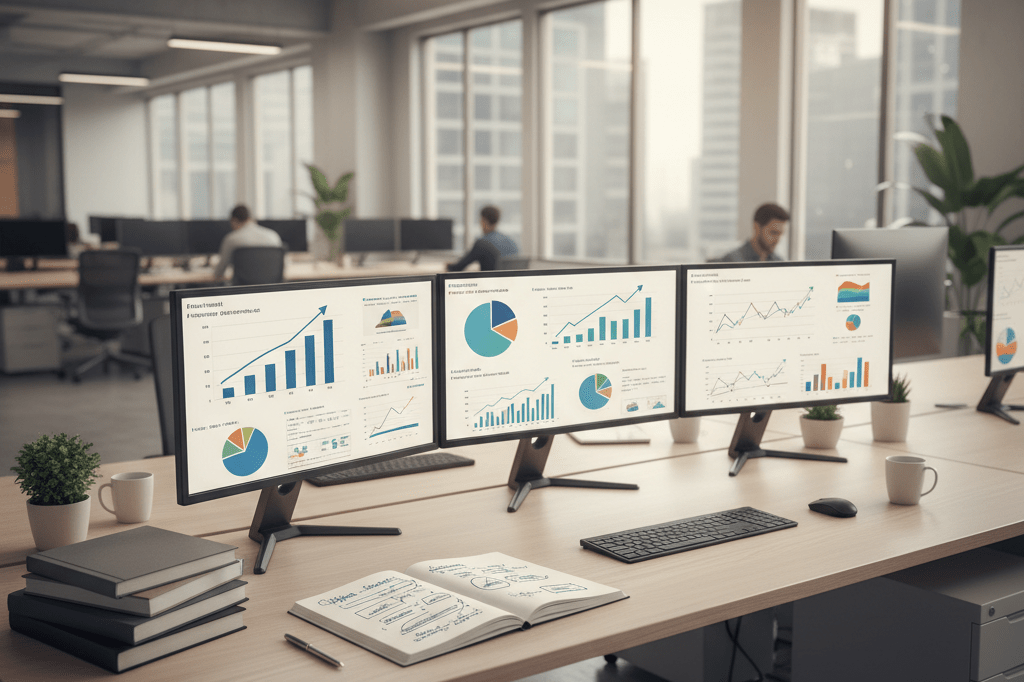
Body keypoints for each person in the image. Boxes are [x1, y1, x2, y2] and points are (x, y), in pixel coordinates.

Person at [214, 204, 283, 279]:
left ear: (234, 220)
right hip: (271, 288)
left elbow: (219, 272)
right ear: (250, 219)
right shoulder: (273, 236)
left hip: (242, 289)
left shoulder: (231, 239)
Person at [447, 205, 519, 272]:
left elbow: (458, 267)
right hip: (511, 284)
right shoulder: (512, 242)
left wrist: (447, 266)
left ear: (483, 221)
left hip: (490, 284)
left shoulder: (482, 243)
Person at [716, 202, 790, 262]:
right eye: (774, 232)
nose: (778, 240)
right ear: (757, 227)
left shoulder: (778, 262)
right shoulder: (732, 261)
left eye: (781, 234)